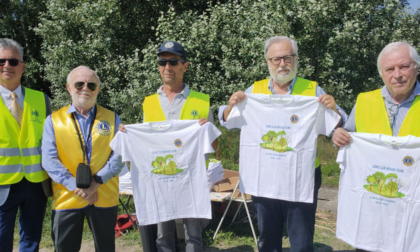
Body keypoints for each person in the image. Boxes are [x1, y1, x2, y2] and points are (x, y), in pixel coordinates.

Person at [218, 36, 348, 252]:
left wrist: (334, 109)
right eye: (276, 59)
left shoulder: (312, 90)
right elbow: (227, 122)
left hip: (301, 176)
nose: (282, 64)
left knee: (302, 237)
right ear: (267, 62)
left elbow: (338, 122)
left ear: (296, 60)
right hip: (264, 174)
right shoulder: (254, 91)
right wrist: (230, 106)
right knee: (268, 237)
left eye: (287, 58)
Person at [119, 41, 218, 252]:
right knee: (163, 236)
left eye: (173, 61)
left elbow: (214, 146)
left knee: (194, 235)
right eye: (162, 62)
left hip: (191, 179)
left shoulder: (201, 102)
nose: (167, 67)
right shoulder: (149, 102)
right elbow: (145, 144)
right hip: (160, 180)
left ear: (185, 66)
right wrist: (128, 134)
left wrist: (208, 129)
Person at [332, 42, 420, 252]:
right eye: (390, 69)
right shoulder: (364, 101)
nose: (397, 74)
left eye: (404, 66)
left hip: (412, 208)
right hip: (372, 208)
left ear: (416, 67)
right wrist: (338, 136)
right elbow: (349, 140)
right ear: (381, 73)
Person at [41, 66, 124, 252]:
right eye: (79, 84)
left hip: (103, 194)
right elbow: (49, 160)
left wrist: (97, 182)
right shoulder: (53, 120)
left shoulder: (112, 118)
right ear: (69, 88)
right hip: (67, 197)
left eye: (91, 85)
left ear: (98, 90)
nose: (85, 88)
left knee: (106, 248)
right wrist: (76, 187)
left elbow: (119, 155)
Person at [0, 38, 51, 252]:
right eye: (1, 61)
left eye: (13, 61)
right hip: (2, 184)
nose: (6, 66)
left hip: (35, 182)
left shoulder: (42, 99)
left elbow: (55, 139)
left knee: (31, 241)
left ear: (23, 66)